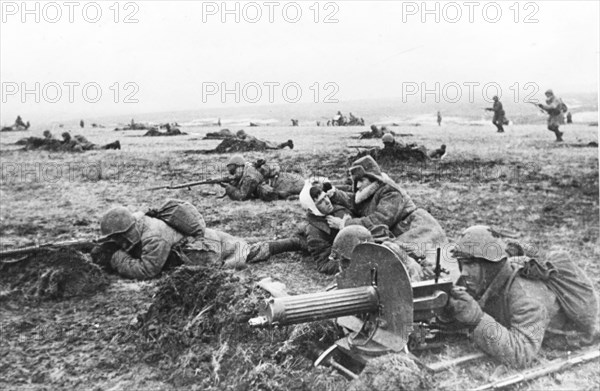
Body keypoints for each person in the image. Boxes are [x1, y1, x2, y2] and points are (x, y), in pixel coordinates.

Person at [447, 225, 599, 367]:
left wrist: (476, 320)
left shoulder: (526, 297)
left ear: (489, 267)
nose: (464, 272)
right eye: (462, 264)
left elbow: (522, 353)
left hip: (561, 333)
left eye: (471, 265)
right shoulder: (479, 279)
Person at [326, 156, 459, 281]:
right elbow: (355, 202)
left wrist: (346, 224)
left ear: (372, 178)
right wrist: (335, 194)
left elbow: (380, 220)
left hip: (416, 227)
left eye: (361, 180)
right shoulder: (371, 190)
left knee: (429, 262)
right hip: (401, 229)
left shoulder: (390, 192)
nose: (358, 186)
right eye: (356, 181)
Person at [96, 205, 249, 279]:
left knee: (247, 251)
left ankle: (273, 246)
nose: (116, 241)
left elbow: (147, 270)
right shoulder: (137, 222)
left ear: (126, 232)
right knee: (246, 245)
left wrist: (117, 258)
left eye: (117, 237)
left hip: (210, 249)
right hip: (202, 240)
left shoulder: (153, 237)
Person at [247, 180, 355, 274]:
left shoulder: (335, 207)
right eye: (321, 201)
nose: (327, 202)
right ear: (312, 208)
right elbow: (324, 265)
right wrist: (352, 264)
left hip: (307, 233)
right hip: (309, 240)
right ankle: (254, 250)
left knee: (294, 241)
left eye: (325, 196)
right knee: (294, 243)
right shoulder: (315, 232)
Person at [330, 225, 426, 281]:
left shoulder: (390, 254)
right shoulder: (358, 267)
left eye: (345, 261)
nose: (342, 266)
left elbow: (413, 270)